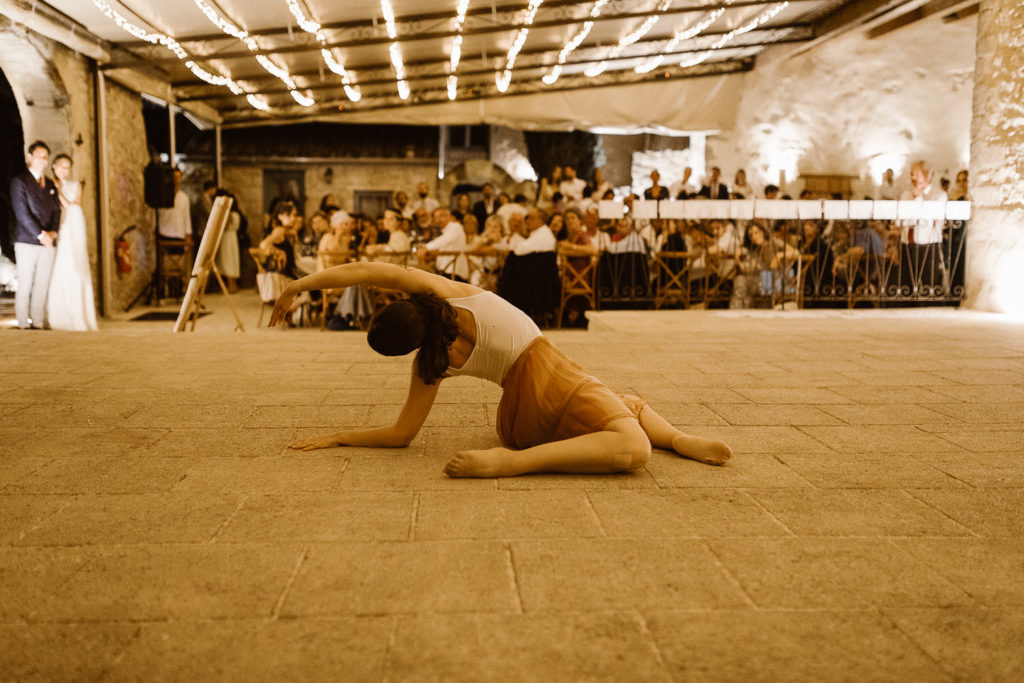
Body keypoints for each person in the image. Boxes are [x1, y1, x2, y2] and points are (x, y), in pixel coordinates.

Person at [271, 262, 732, 476]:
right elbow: (370, 269)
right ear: (402, 305)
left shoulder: (429, 364)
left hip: (523, 412)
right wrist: (300, 284)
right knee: (633, 447)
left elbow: (400, 434)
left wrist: (340, 435)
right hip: (546, 373)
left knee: (618, 407)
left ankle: (675, 438)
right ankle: (514, 464)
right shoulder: (448, 291)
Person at [11, 140, 61, 330]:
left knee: (42, 283)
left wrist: (52, 233)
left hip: (48, 241)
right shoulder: (20, 182)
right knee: (25, 282)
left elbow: (57, 211)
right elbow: (22, 212)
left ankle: (38, 321)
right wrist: (41, 235)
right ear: (30, 157)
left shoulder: (49, 184)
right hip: (27, 240)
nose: (42, 160)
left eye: (45, 157)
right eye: (38, 156)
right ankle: (23, 322)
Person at [44, 154, 96, 331]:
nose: (64, 171)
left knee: (71, 266)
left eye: (67, 168)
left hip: (69, 230)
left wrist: (59, 193)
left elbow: (75, 206)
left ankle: (75, 315)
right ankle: (54, 315)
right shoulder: (47, 183)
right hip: (53, 229)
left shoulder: (75, 186)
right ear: (54, 166)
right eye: (61, 167)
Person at [156, 168, 191, 240]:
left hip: (179, 235)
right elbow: (157, 217)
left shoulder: (184, 197)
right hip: (164, 234)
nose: (176, 180)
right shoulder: (162, 196)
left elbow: (186, 218)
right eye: (174, 177)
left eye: (178, 178)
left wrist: (188, 237)